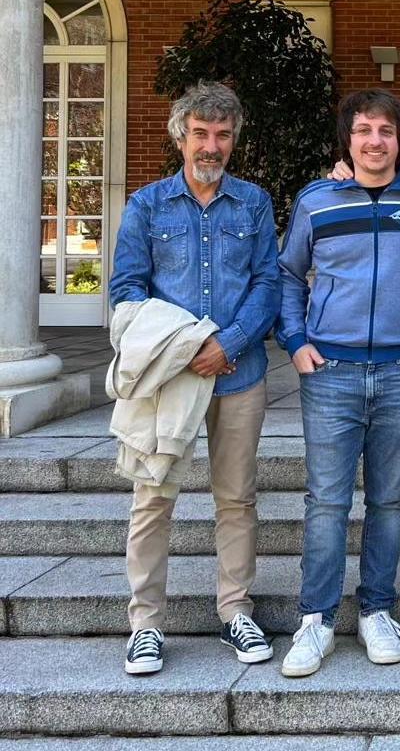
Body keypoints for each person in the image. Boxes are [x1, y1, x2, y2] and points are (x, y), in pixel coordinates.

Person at [276, 89, 400, 677]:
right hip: (329, 371)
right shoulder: (317, 201)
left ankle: (377, 609)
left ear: (399, 141)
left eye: (386, 130)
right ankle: (315, 620)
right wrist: (295, 341)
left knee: (388, 499)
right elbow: (286, 273)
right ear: (349, 139)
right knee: (327, 500)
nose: (375, 140)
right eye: (364, 130)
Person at [110, 81, 280, 674]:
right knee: (152, 498)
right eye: (202, 134)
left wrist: (227, 344)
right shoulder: (147, 205)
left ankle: (235, 609)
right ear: (181, 135)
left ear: (234, 140)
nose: (212, 146)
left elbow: (268, 284)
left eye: (223, 135)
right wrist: (184, 350)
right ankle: (145, 624)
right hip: (169, 381)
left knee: (236, 498)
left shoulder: (254, 204)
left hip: (239, 374)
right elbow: (126, 291)